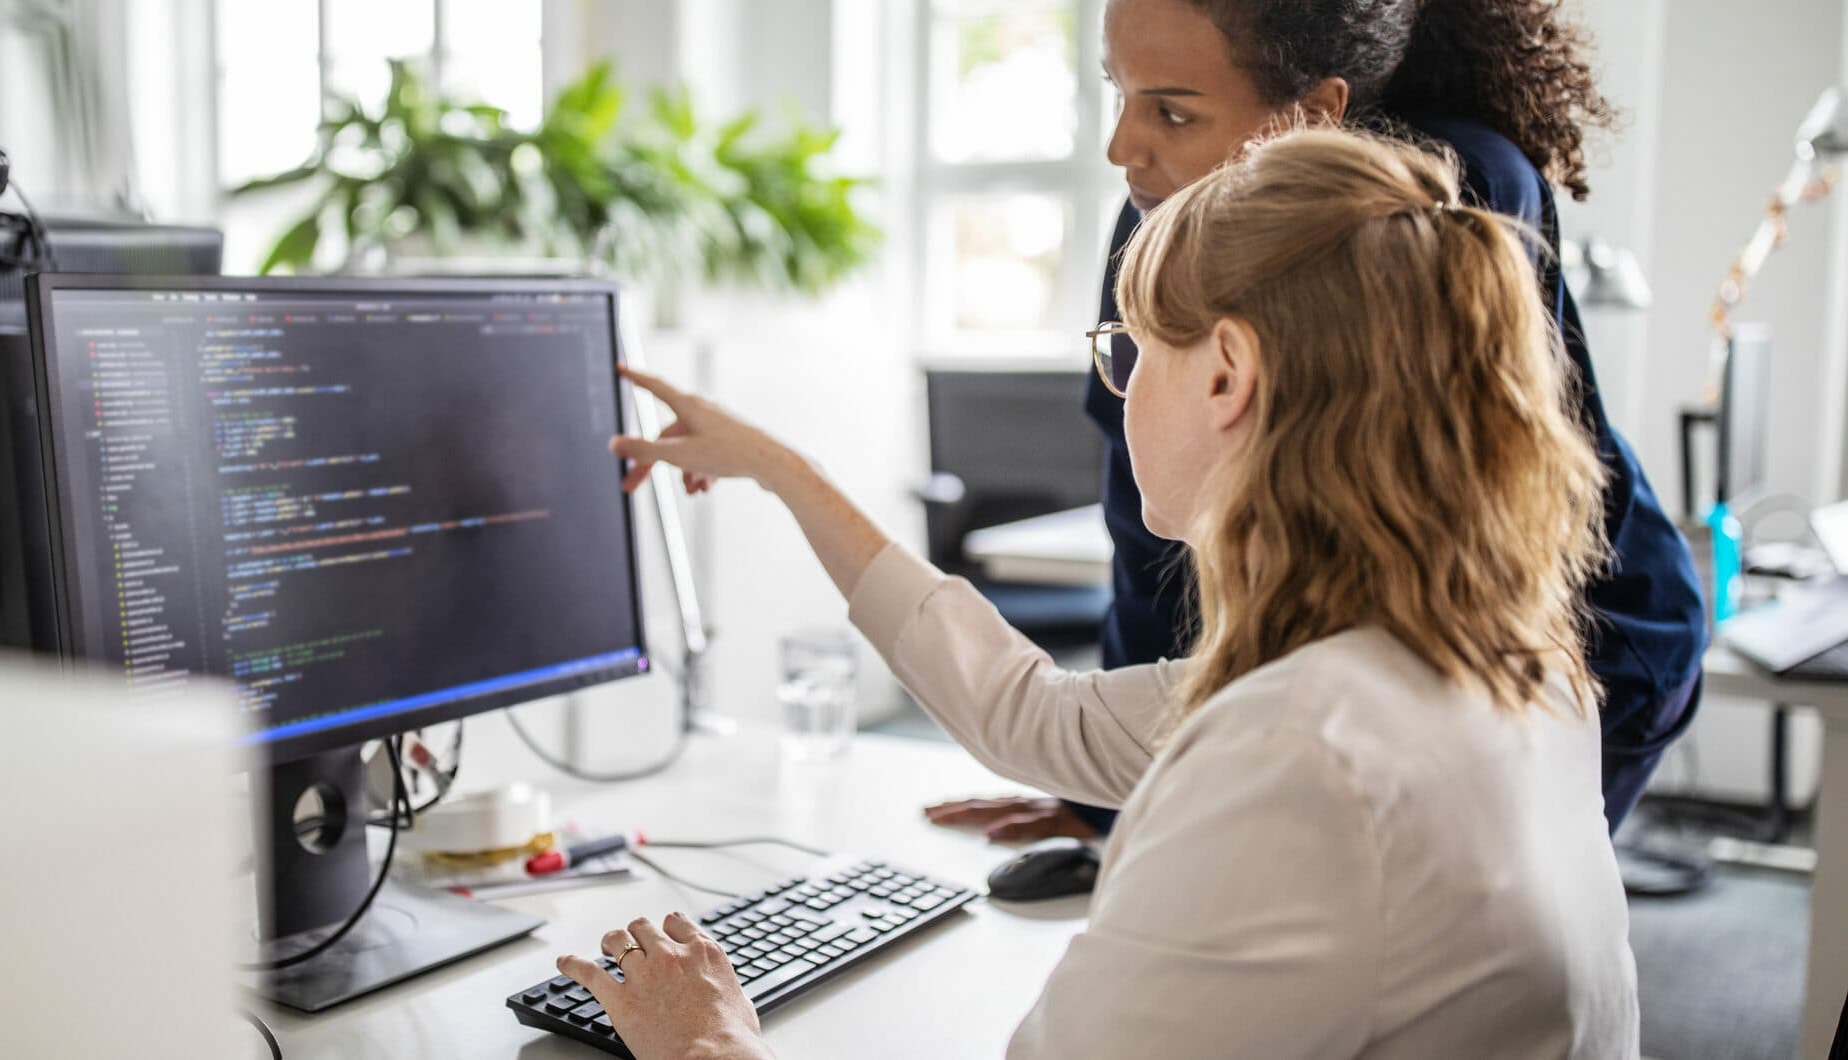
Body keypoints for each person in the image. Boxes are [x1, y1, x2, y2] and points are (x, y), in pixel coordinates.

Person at [563, 128, 1637, 1059]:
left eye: (1129, 350)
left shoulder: (1297, 755)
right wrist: (788, 473)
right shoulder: (1495, 665)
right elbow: (1030, 712)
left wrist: (709, 1040)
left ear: (1226, 374)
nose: (1117, 391)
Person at [928, 0, 1706, 844]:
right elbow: (1148, 529)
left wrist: (1175, 788)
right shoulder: (1155, 211)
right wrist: (1110, 796)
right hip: (1359, 663)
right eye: (1121, 93)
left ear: (1313, 111)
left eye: (1174, 111)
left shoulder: (1443, 194)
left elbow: (1428, 549)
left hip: (1570, 641)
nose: (1124, 149)